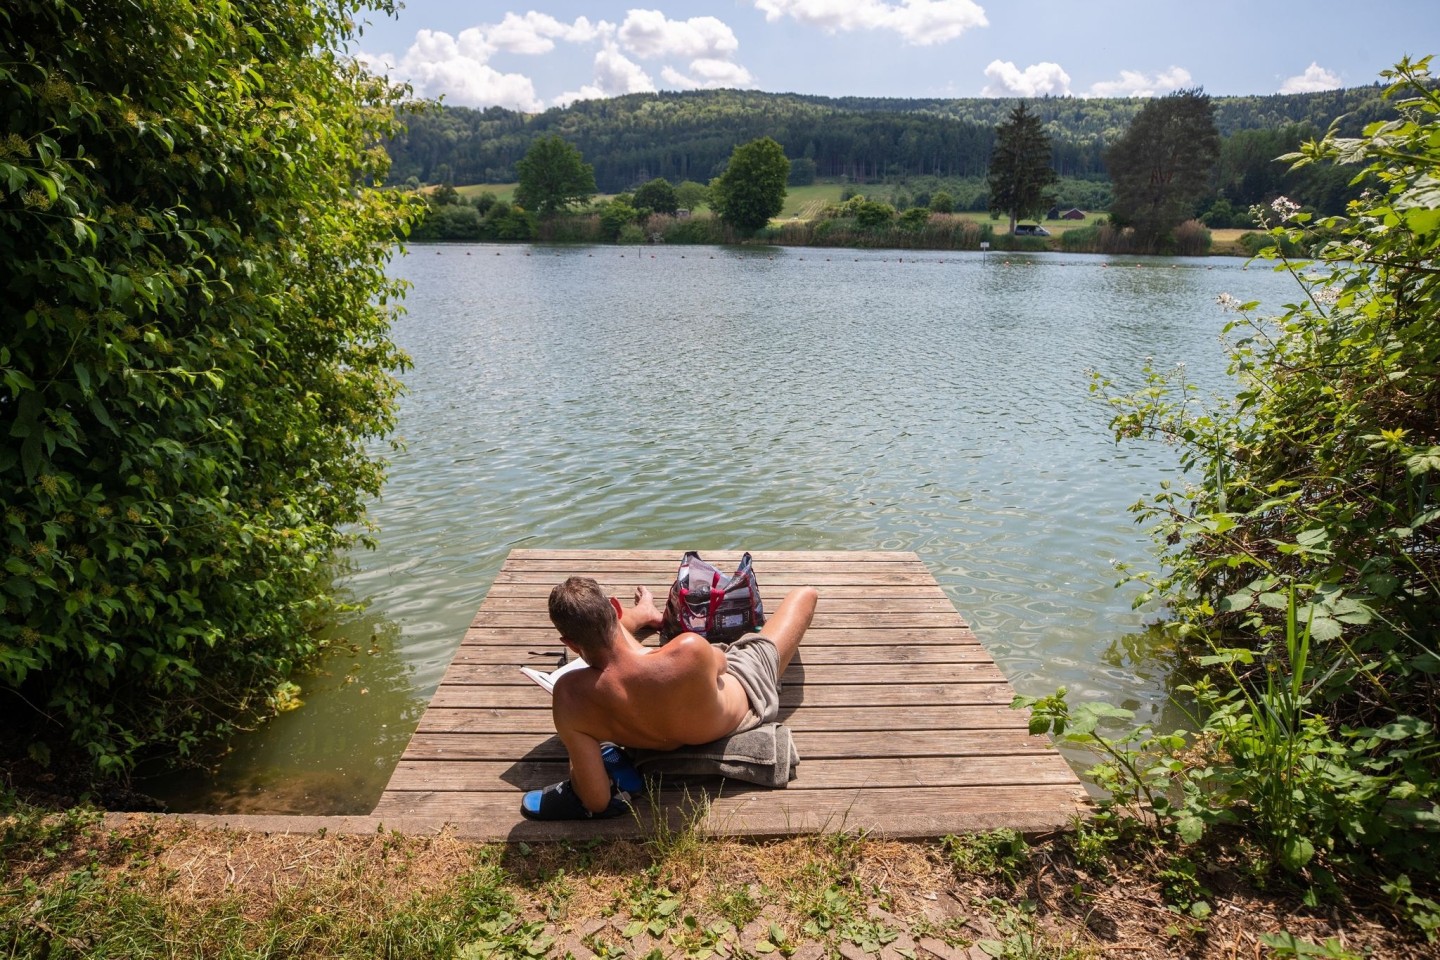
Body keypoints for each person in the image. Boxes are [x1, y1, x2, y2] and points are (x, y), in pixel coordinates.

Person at [521, 576, 818, 819]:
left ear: (569, 643)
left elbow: (596, 801)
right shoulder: (687, 649)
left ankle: (645, 614)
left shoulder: (569, 696)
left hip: (652, 736)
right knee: (804, 595)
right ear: (614, 606)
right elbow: (723, 663)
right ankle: (641, 616)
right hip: (742, 700)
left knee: (608, 641)